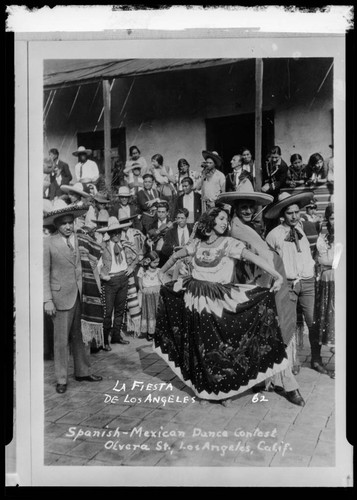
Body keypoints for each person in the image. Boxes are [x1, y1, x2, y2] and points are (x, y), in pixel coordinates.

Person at [154, 206, 288, 406]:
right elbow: (175, 256)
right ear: (211, 222)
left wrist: (277, 275)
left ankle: (223, 391)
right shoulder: (197, 243)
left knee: (220, 346)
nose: (225, 222)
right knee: (199, 346)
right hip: (194, 301)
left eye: (226, 219)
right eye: (222, 219)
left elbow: (256, 258)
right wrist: (161, 272)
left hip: (218, 302)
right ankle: (203, 390)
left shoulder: (230, 243)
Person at [217, 187, 305, 405]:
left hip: (265, 283)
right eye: (243, 207)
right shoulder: (234, 229)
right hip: (249, 286)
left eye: (250, 207)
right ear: (235, 209)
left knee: (269, 331)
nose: (247, 210)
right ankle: (232, 386)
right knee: (259, 333)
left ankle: (271, 379)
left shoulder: (248, 228)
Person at [265, 192, 329, 375]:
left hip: (307, 282)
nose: (294, 216)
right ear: (281, 215)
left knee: (313, 321)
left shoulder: (305, 229)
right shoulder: (273, 235)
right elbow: (269, 262)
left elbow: (312, 253)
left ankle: (317, 359)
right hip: (288, 284)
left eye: (296, 212)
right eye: (289, 213)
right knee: (289, 323)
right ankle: (292, 360)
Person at [43, 204, 103, 394]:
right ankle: (61, 378)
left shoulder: (81, 240)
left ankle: (83, 371)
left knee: (83, 336)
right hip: (60, 297)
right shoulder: (48, 243)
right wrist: (47, 300)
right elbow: (44, 273)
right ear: (57, 225)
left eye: (71, 223)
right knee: (60, 341)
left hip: (81, 294)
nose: (68, 227)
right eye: (64, 224)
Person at [97, 217, 139, 350]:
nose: (116, 235)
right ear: (109, 234)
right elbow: (96, 263)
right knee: (107, 312)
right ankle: (105, 341)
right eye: (113, 233)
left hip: (123, 278)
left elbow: (137, 256)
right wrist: (103, 276)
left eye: (118, 232)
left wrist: (131, 267)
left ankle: (116, 336)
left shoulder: (125, 243)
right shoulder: (103, 245)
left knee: (120, 310)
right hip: (110, 281)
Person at [315, 203, 335, 378]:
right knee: (331, 322)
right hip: (328, 283)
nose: (335, 221)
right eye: (332, 217)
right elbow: (321, 259)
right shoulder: (324, 238)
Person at [137, 251, 162, 341]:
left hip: (157, 293)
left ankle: (158, 331)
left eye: (157, 262)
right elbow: (140, 281)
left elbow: (161, 280)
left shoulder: (159, 270)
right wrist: (142, 289)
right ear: (148, 261)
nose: (156, 264)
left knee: (157, 312)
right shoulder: (143, 270)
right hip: (147, 294)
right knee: (149, 312)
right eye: (154, 262)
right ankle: (150, 332)